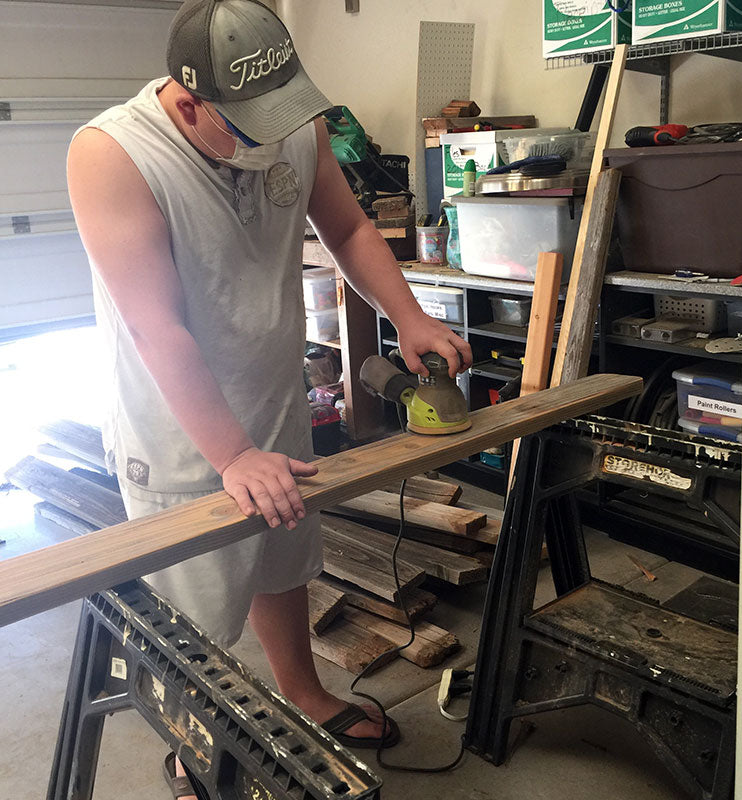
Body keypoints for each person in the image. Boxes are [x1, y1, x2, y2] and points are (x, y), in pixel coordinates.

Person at [66, 0, 472, 795]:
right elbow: (157, 328)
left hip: (273, 393)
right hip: (179, 427)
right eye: (249, 125)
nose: (273, 135)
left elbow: (351, 230)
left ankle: (304, 694)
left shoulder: (292, 121)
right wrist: (233, 455)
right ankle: (191, 753)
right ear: (189, 106)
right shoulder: (112, 153)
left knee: (285, 557)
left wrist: (411, 317)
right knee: (194, 616)